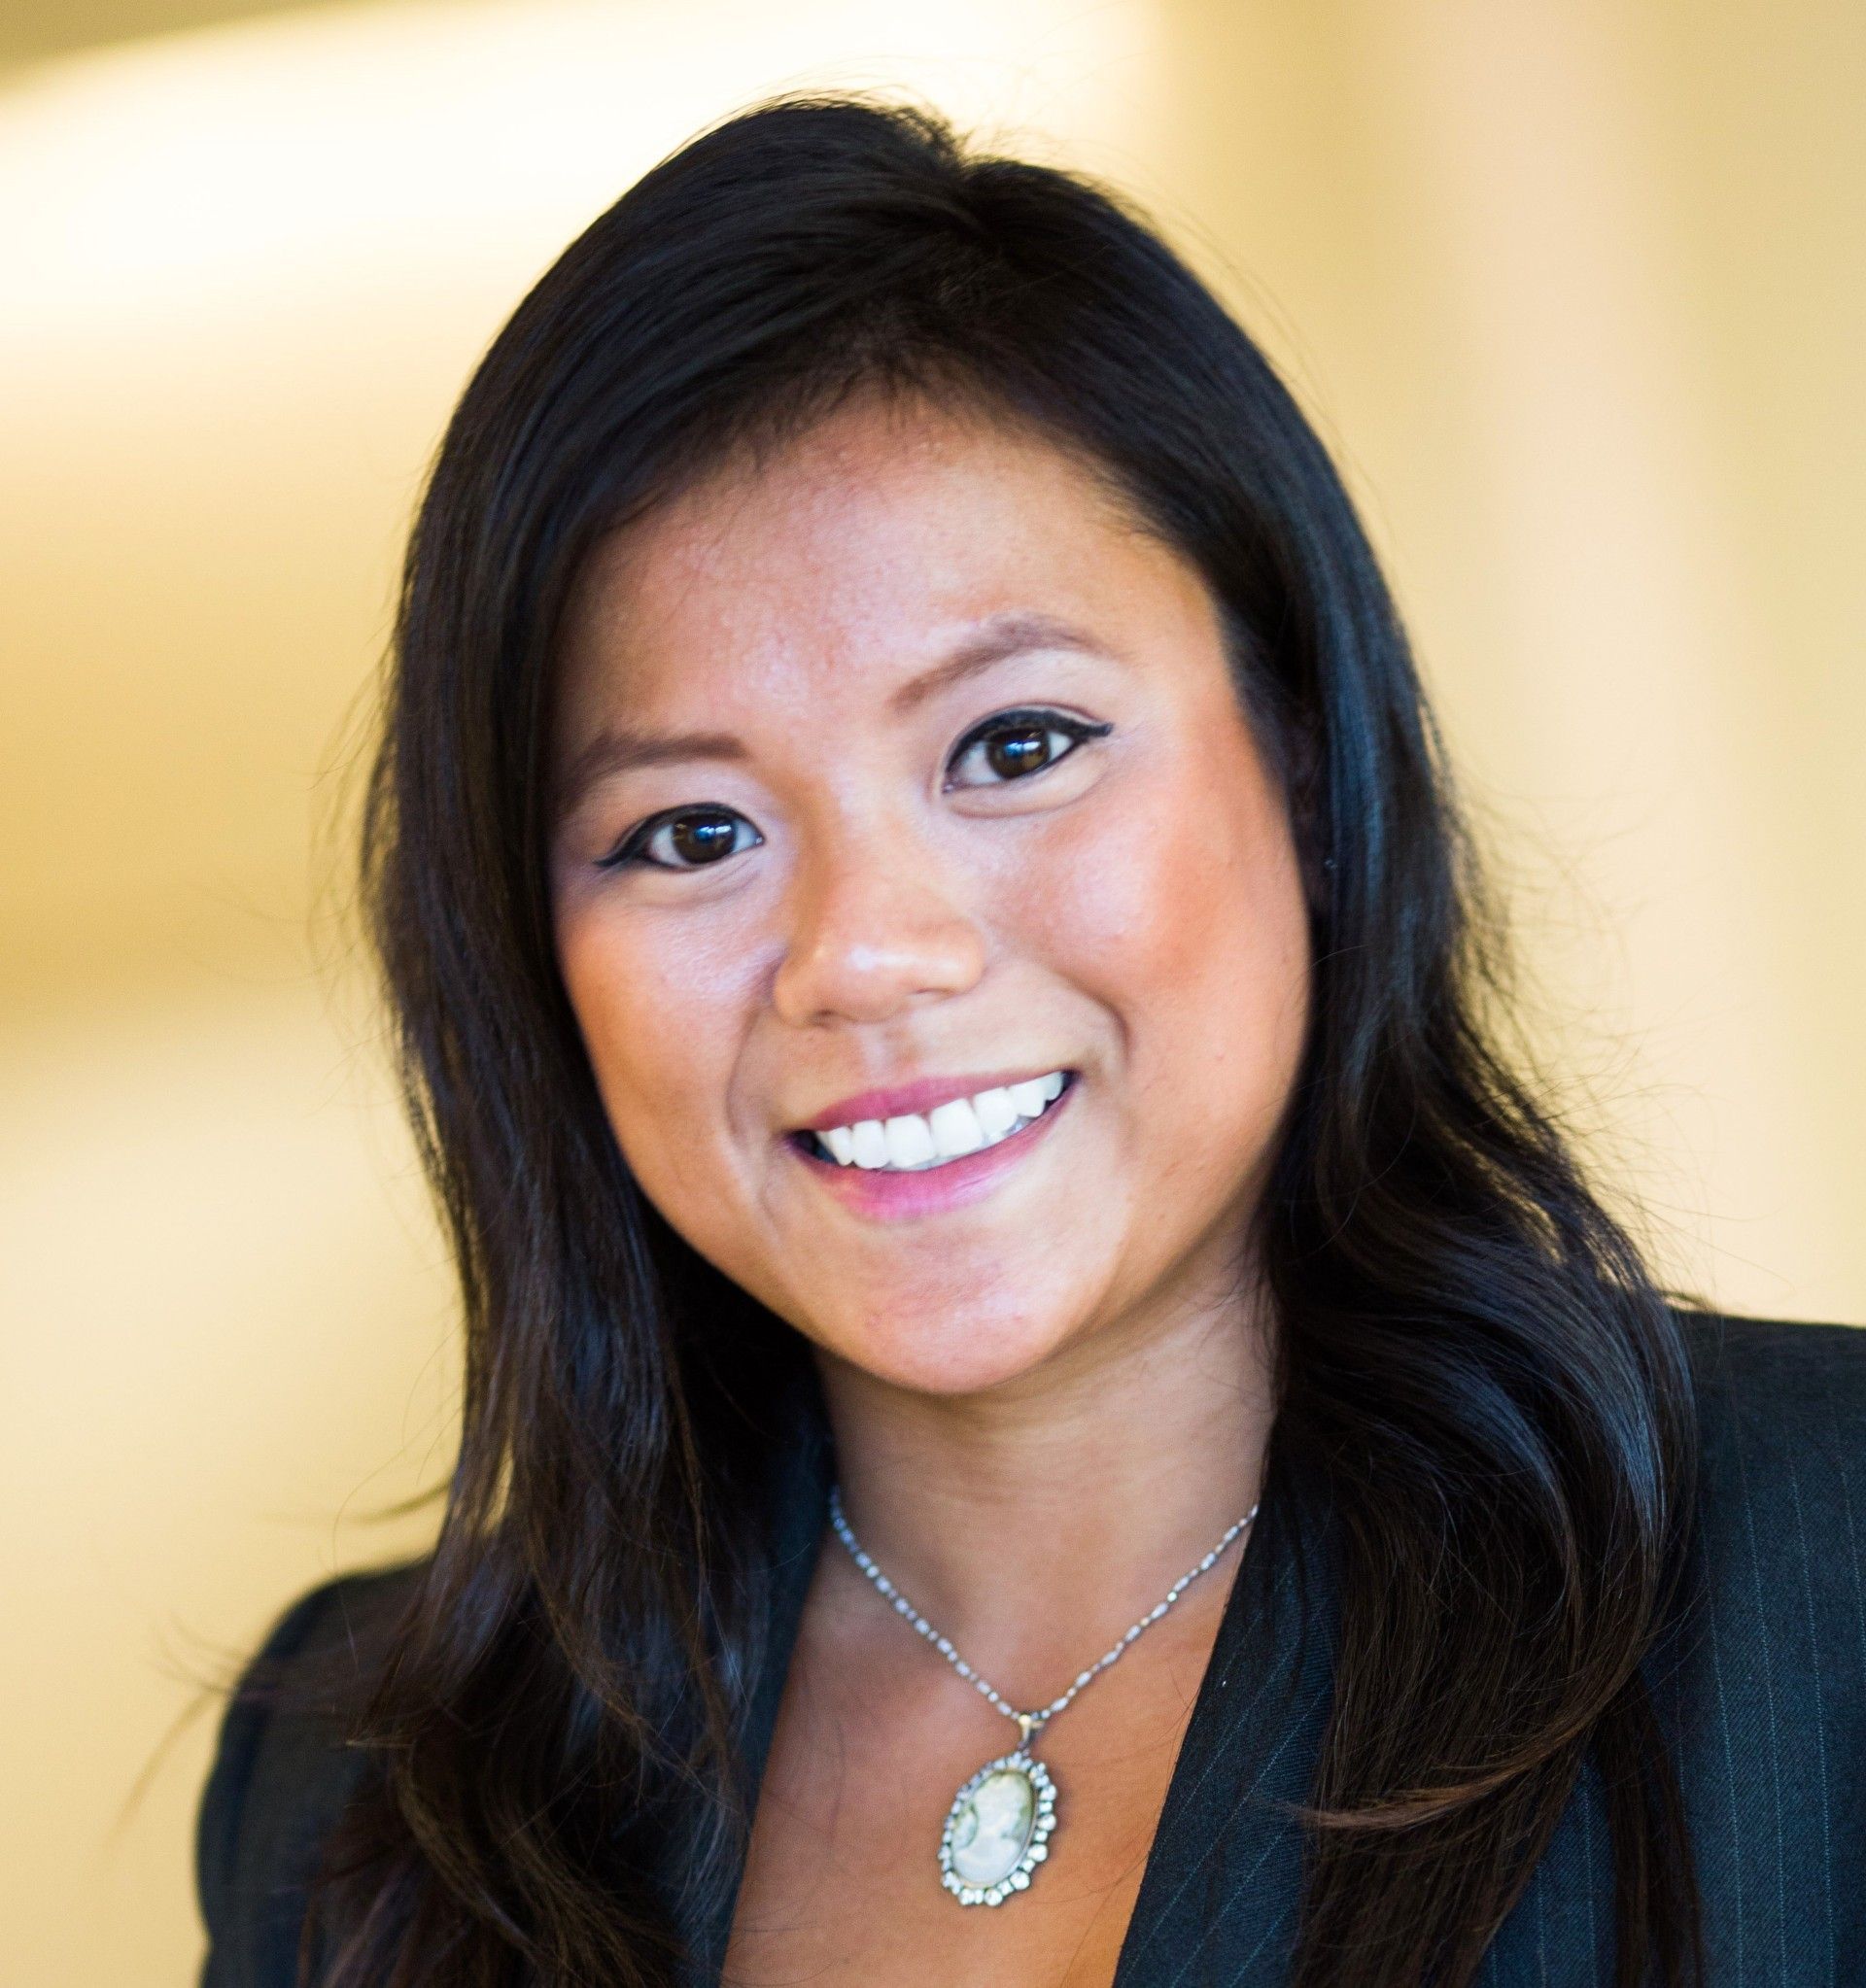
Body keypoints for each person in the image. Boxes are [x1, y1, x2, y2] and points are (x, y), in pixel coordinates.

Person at [192, 93, 1866, 1988]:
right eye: (691, 834)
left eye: (1017, 744)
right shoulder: (354, 1791)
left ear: (1305, 762)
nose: (866, 955)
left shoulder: (1827, 1570)